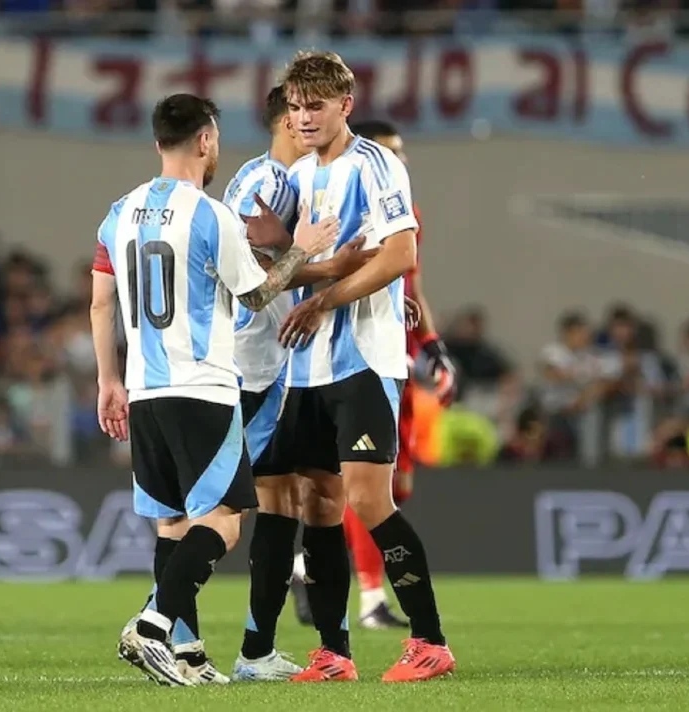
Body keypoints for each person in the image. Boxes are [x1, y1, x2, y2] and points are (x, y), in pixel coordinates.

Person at [90, 93, 337, 687]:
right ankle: (152, 627)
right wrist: (303, 246)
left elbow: (101, 301)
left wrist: (108, 381)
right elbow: (257, 295)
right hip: (201, 387)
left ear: (158, 143)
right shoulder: (210, 215)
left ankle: (189, 653)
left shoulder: (118, 213)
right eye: (216, 139)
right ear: (205, 141)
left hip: (144, 389)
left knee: (172, 524)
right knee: (224, 523)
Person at [264, 51, 456, 682]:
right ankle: (333, 653)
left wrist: (324, 298)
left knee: (370, 501)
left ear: (345, 105)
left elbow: (400, 257)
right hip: (307, 367)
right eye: (295, 107)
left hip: (364, 363)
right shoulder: (303, 174)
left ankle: (429, 641)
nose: (303, 118)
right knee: (318, 503)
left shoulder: (377, 166)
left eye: (315, 105)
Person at [224, 86, 380, 682]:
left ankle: (328, 649)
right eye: (304, 111)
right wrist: (330, 266)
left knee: (319, 501)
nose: (312, 121)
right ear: (289, 118)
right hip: (260, 366)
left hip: (307, 367)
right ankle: (232, 643)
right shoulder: (264, 182)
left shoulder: (323, 179)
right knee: (266, 505)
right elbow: (250, 269)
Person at [303, 119, 454, 630]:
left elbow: (411, 280)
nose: (398, 161)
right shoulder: (343, 202)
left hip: (397, 356)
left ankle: (315, 573)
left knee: (392, 487)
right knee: (361, 490)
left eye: (401, 152)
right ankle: (372, 603)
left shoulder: (405, 213)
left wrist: (432, 342)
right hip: (350, 358)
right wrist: (327, 297)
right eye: (389, 151)